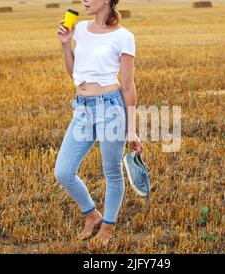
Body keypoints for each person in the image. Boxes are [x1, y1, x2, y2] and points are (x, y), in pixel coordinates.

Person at [55, 0, 142, 247]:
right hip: (82, 109)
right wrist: (65, 45)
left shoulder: (124, 37)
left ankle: (108, 226)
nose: (84, 1)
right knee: (63, 171)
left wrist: (132, 129)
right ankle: (92, 215)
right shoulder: (80, 29)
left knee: (112, 172)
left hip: (110, 108)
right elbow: (75, 73)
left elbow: (127, 85)